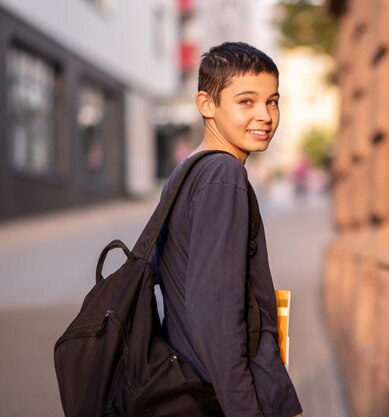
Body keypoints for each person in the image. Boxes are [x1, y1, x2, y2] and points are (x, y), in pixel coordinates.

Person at [151, 42, 303, 417]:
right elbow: (214, 314)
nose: (265, 116)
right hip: (229, 395)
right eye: (246, 102)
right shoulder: (223, 176)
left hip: (198, 383)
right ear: (206, 104)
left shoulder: (186, 172)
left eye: (273, 101)